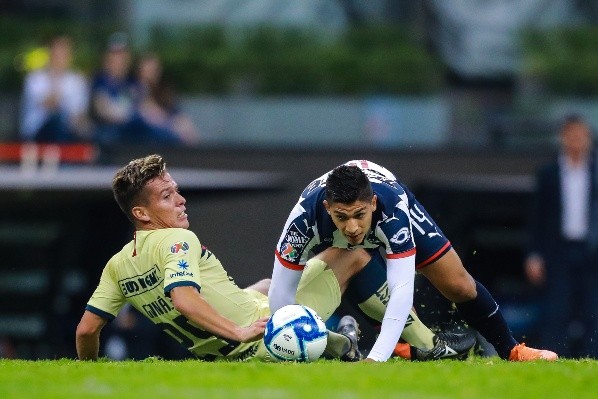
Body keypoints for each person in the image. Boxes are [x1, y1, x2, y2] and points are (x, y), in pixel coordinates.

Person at [75, 154, 360, 361]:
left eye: (176, 190)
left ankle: (336, 338)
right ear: (141, 213)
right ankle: (351, 344)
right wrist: (238, 331)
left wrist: (89, 368)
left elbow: (86, 331)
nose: (180, 199)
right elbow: (184, 299)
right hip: (265, 334)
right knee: (356, 252)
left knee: (263, 285)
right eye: (166, 196)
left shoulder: (118, 265)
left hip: (221, 353)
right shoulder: (178, 238)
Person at [269, 160, 559, 362]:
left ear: (372, 204)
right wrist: (287, 345)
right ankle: (401, 342)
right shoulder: (303, 220)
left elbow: (402, 291)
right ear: (326, 208)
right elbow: (281, 293)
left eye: (359, 215)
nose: (353, 227)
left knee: (458, 285)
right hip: (334, 234)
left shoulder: (393, 211)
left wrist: (376, 359)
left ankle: (512, 350)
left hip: (394, 204)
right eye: (341, 217)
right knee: (345, 267)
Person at [525, 114, 598, 358]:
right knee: (556, 309)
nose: (576, 140)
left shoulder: (595, 171)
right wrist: (534, 254)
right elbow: (537, 217)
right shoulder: (549, 173)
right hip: (558, 250)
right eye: (571, 134)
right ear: (563, 137)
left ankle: (592, 357)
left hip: (591, 251)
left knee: (593, 309)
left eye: (581, 135)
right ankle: (554, 355)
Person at [20, 35, 90, 142]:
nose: (60, 58)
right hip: (37, 132)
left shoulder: (77, 80)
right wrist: (56, 78)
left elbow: (79, 112)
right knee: (58, 120)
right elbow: (50, 103)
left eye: (64, 54)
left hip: (68, 130)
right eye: (57, 54)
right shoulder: (35, 79)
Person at [135, 53, 200, 146]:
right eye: (149, 70)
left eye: (155, 70)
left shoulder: (163, 93)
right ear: (140, 71)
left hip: (164, 135)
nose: (152, 74)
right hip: (144, 137)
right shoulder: (135, 90)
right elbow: (148, 113)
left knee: (185, 127)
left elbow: (177, 115)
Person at [89, 32, 139, 146]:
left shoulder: (133, 81)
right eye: (115, 54)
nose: (118, 59)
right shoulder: (99, 80)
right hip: (108, 129)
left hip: (131, 129)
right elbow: (102, 109)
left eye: (122, 54)